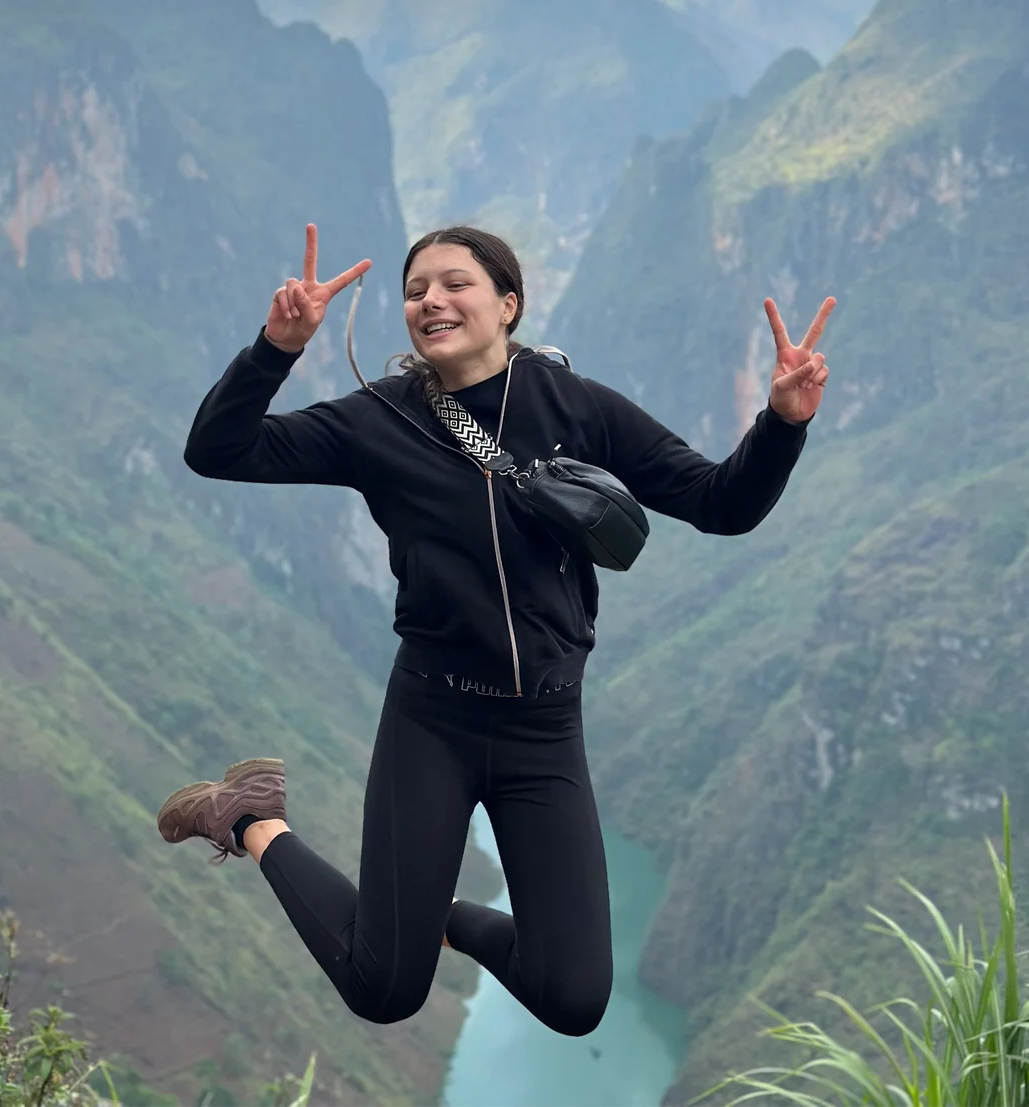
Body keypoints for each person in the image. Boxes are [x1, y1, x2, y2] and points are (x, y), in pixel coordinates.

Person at [157, 223, 834, 1036]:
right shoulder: (377, 421)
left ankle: (442, 914)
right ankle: (248, 816)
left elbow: (722, 503)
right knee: (383, 988)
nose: (431, 301)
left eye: (455, 283)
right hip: (432, 719)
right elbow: (216, 449)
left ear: (508, 304)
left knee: (575, 998)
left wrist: (782, 423)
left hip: (543, 728)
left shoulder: (574, 407)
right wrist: (276, 348)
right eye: (415, 292)